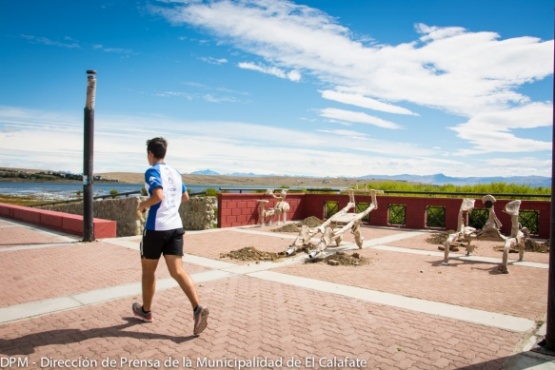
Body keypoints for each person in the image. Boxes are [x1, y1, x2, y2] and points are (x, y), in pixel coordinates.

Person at [132, 137, 209, 336]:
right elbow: (185, 197)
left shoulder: (151, 171)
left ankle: (146, 311)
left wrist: (142, 206)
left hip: (156, 228)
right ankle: (197, 308)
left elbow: (158, 196)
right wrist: (170, 208)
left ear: (150, 154)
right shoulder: (175, 172)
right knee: (177, 271)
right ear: (164, 153)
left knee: (148, 270)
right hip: (175, 227)